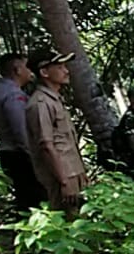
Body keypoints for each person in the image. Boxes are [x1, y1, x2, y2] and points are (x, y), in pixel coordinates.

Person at [24, 49, 89, 210]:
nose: (66, 71)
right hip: (63, 175)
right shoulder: (40, 104)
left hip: (74, 171)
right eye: (59, 67)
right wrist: (64, 181)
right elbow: (46, 145)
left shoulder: (55, 100)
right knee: (70, 223)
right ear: (44, 72)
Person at [0, 53, 45, 210]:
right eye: (26, 67)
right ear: (17, 70)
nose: (30, 71)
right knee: (36, 200)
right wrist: (35, 156)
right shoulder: (13, 94)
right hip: (20, 155)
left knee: (24, 198)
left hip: (9, 153)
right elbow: (20, 129)